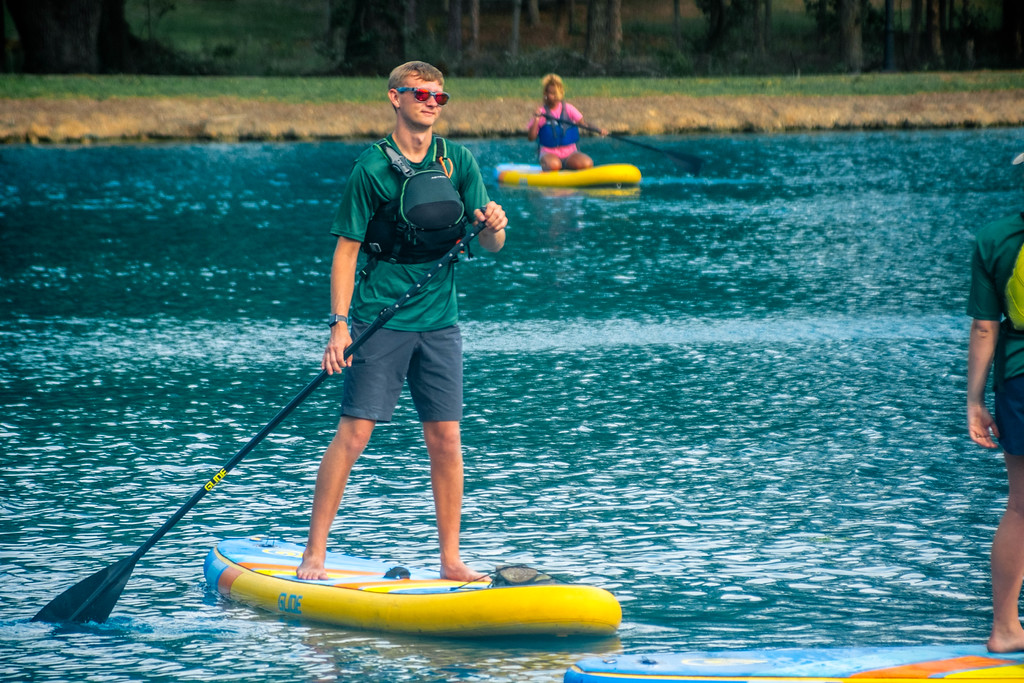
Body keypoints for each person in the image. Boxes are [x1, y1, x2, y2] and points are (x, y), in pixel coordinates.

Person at [296, 61, 508, 583]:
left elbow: (491, 243)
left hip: (441, 321)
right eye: (421, 94)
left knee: (446, 439)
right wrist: (339, 326)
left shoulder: (458, 161)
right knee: (355, 433)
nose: (432, 102)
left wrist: (494, 225)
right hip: (380, 318)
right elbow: (345, 254)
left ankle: (452, 561)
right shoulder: (370, 169)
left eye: (440, 96)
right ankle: (313, 556)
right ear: (396, 98)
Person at [966, 151, 1024, 653]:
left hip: (1018, 378)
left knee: (1022, 505)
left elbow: (986, 326)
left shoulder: (994, 238)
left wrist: (974, 401)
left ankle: (1006, 629)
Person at [526, 73, 606, 172]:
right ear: (545, 95)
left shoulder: (568, 108)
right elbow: (531, 138)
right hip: (548, 153)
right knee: (554, 165)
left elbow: (583, 123)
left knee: (587, 163)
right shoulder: (541, 113)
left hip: (570, 153)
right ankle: (549, 166)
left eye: (557, 93)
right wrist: (536, 119)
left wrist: (598, 130)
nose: (555, 96)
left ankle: (567, 166)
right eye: (552, 93)